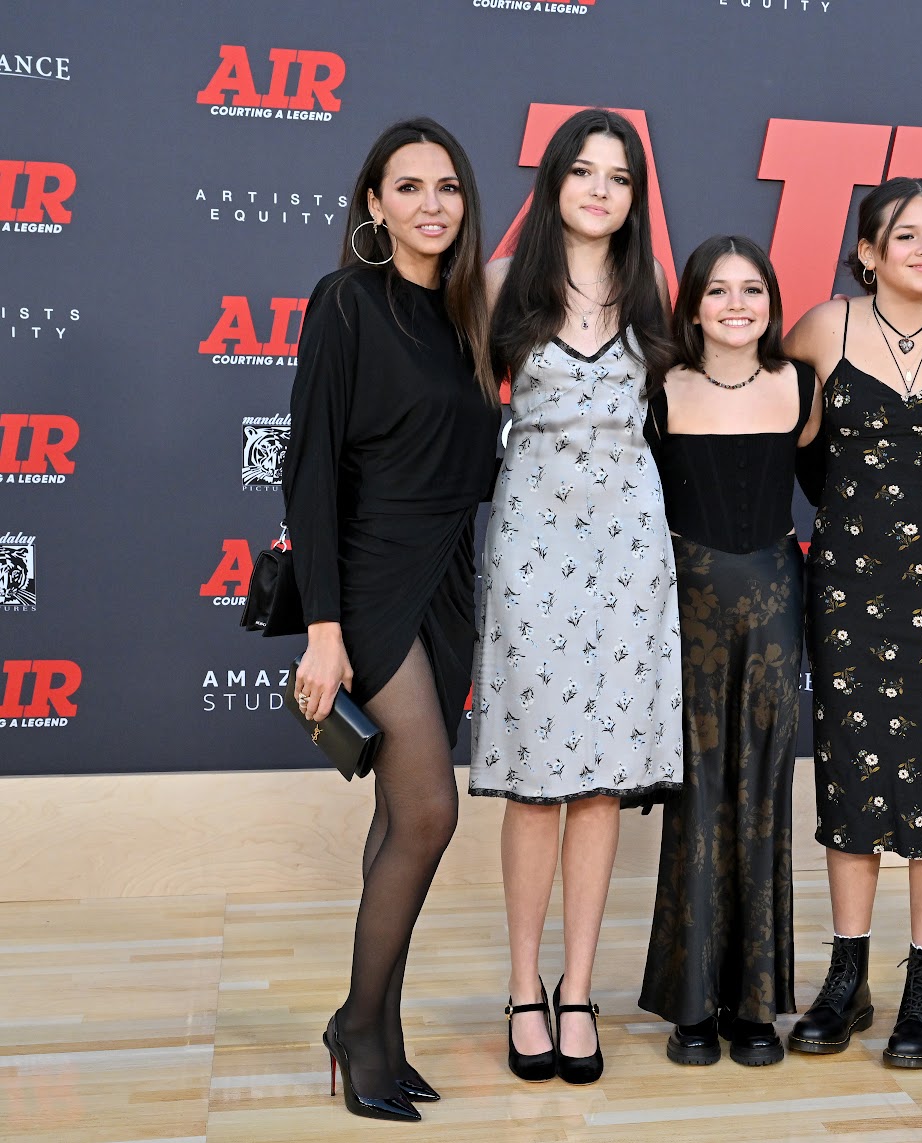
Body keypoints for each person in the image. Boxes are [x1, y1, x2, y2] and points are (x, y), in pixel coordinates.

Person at [283, 118, 500, 1121]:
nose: (430, 205)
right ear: (373, 204)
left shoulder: (467, 319)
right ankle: (358, 1026)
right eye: (407, 187)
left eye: (446, 187)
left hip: (450, 579)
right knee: (426, 813)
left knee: (394, 821)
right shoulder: (346, 304)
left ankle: (382, 1025)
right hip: (371, 581)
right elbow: (311, 470)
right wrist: (323, 630)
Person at [469, 107, 682, 1087]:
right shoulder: (503, 287)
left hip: (631, 550)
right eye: (584, 171)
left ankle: (580, 988)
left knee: (601, 778)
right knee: (535, 780)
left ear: (636, 198)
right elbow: (454, 420)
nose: (600, 189)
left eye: (620, 176)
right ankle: (523, 988)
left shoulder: (651, 294)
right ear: (553, 182)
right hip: (530, 545)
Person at [784, 178, 922, 1069]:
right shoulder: (819, 329)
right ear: (866, 252)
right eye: (903, 235)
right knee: (852, 775)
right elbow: (787, 449)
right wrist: (847, 519)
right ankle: (847, 977)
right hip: (849, 586)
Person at [637, 235, 822, 1067]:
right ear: (693, 306)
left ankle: (755, 1005)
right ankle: (693, 1004)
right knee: (698, 798)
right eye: (719, 290)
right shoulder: (659, 390)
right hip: (687, 605)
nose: (737, 304)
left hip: (779, 604)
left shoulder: (801, 386)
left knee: (763, 798)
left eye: (753, 289)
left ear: (773, 304)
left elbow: (832, 489)